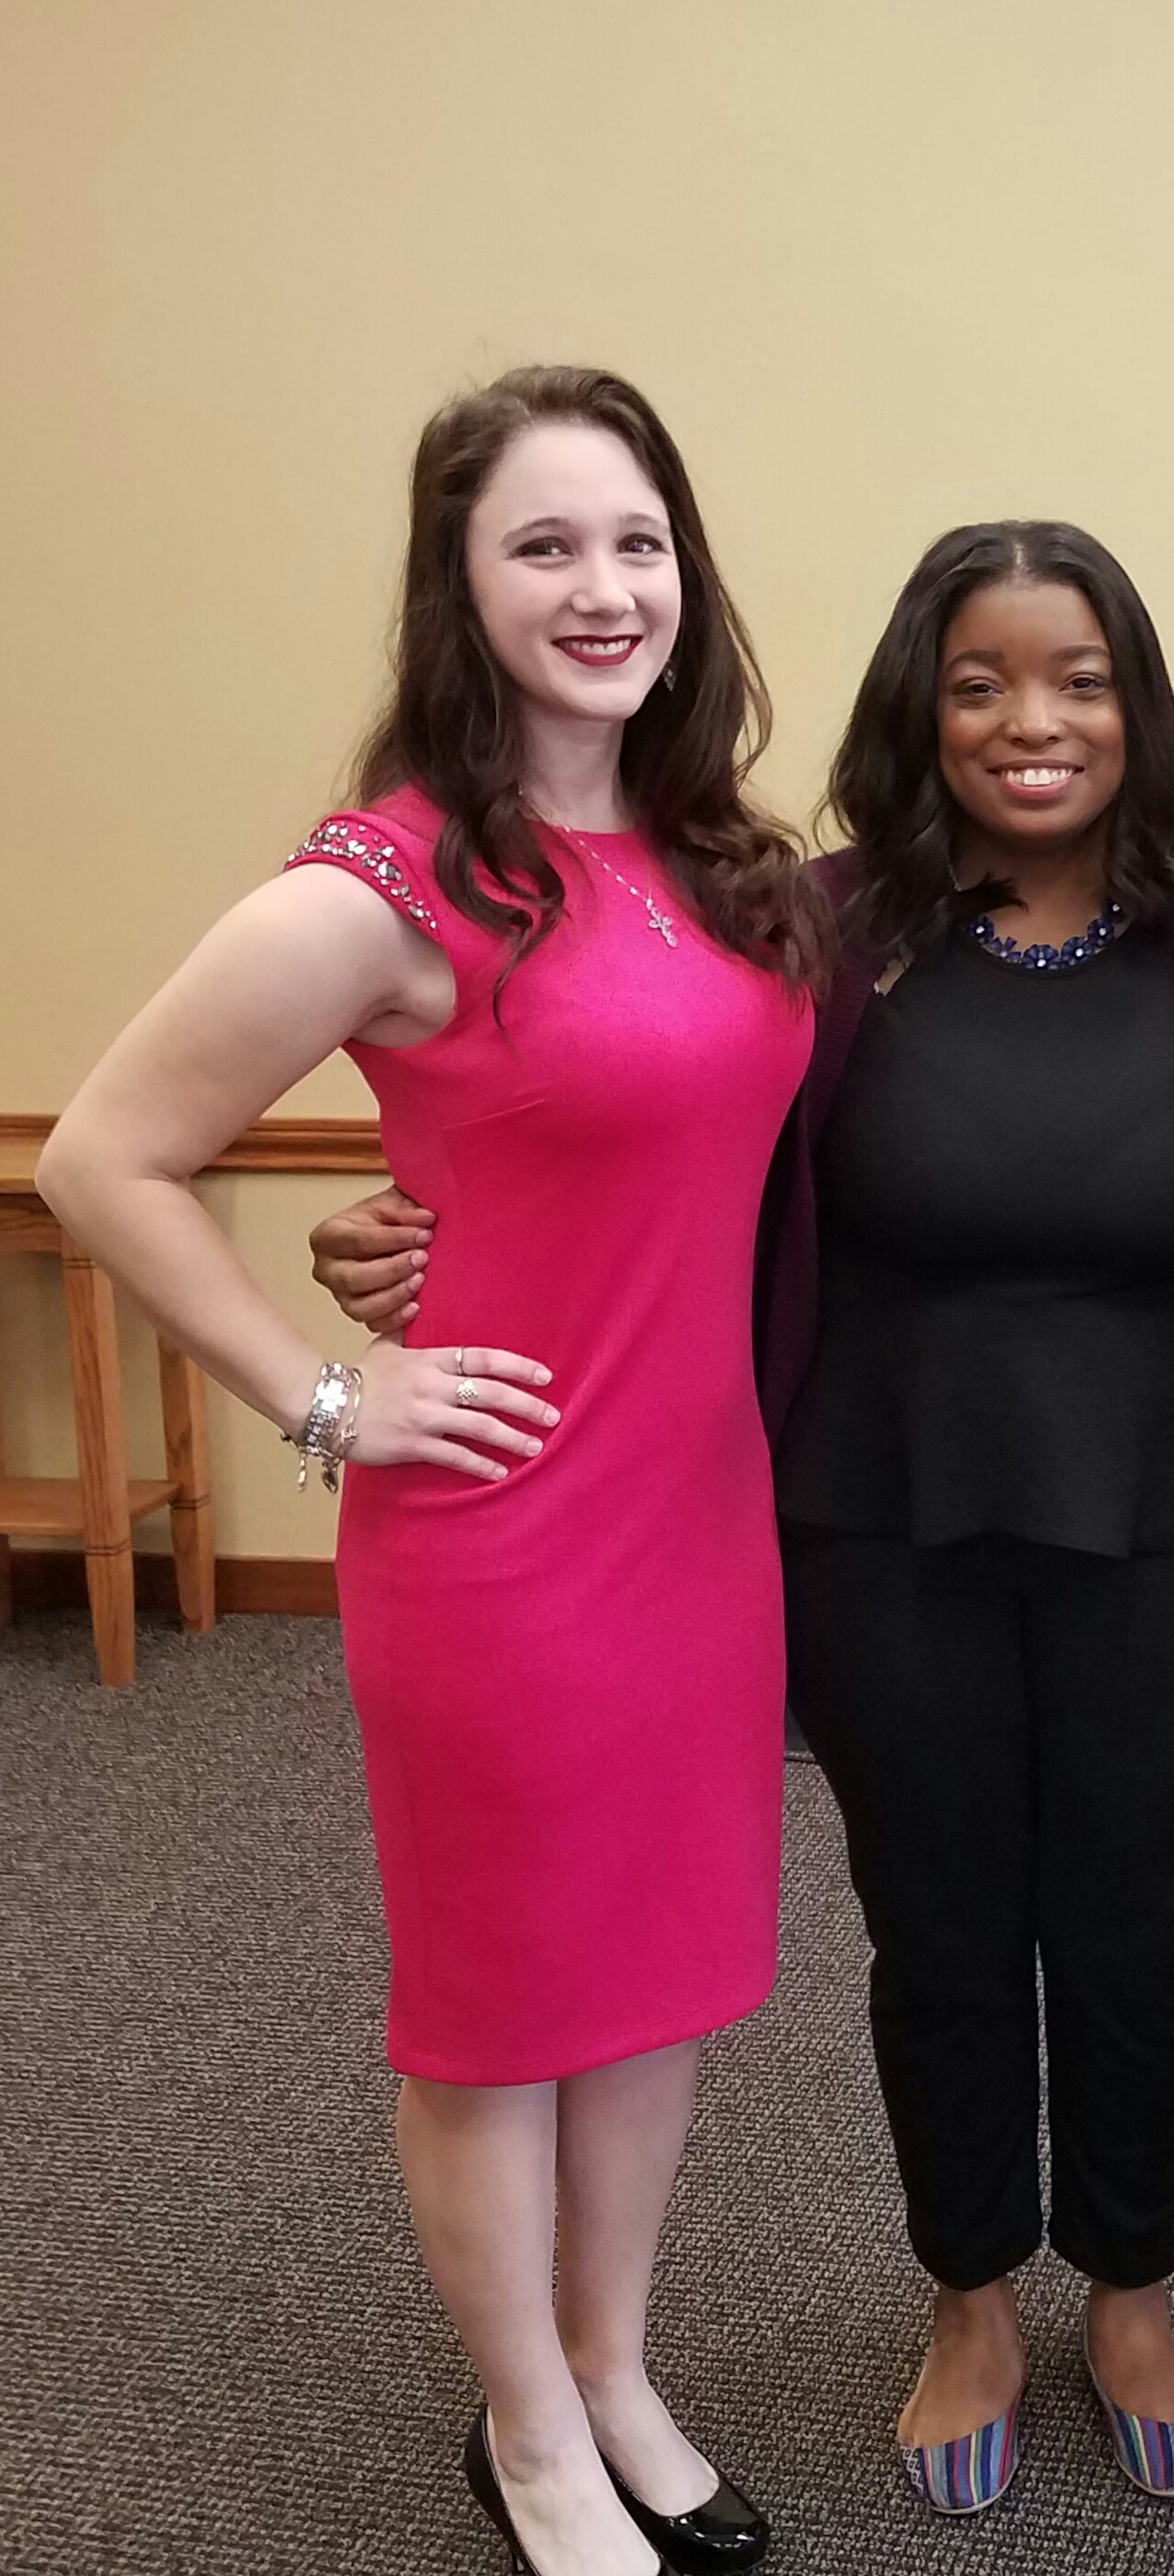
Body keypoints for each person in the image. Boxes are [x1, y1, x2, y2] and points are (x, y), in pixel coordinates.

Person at [310, 520, 1174, 2519]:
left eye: (1076, 678)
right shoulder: (805, 940)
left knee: (1143, 1931)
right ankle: (970, 2293)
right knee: (943, 1926)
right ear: (921, 708)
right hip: (883, 1529)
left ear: (1134, 707)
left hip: (1169, 1531)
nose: (1029, 720)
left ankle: (1133, 2289)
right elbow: (609, 1122)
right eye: (979, 682)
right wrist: (409, 1223)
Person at [39, 364, 830, 2576]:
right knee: (500, 2006)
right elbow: (110, 1156)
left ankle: (614, 2360)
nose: (604, 588)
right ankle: (526, 2432)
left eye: (639, 541)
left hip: (699, 1515)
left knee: (656, 1975)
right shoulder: (387, 881)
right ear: (459, 585)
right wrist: (320, 1396)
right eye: (545, 547)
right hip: (503, 1535)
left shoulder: (710, 856)